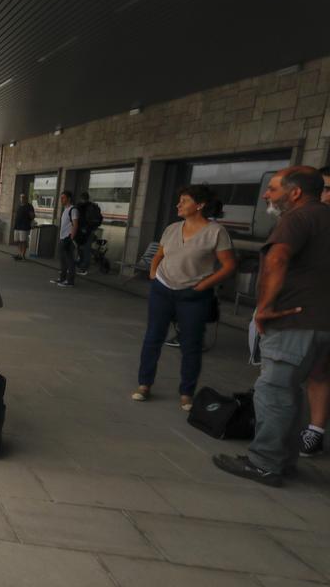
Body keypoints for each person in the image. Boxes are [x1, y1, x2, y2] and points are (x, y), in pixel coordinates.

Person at [214, 166, 330, 487]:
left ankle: (263, 463)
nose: (267, 194)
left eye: (274, 189)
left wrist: (263, 308)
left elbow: (277, 259)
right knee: (290, 392)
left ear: (295, 193)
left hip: (294, 320)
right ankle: (283, 461)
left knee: (275, 391)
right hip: (322, 323)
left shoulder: (297, 218)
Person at [132, 185, 236, 411]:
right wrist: (153, 274)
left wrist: (204, 286)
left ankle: (186, 393)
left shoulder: (215, 232)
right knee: (153, 338)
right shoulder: (172, 228)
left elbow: (228, 266)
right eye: (179, 200)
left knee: (191, 345)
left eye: (184, 201)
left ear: (199, 205)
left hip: (194, 296)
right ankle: (144, 384)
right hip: (162, 290)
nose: (178, 205)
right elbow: (159, 255)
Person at [297, 165, 330, 456]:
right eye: (322, 189)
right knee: (317, 371)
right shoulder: (309, 221)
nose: (324, 195)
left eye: (329, 189)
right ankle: (314, 432)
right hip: (313, 311)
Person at [51, 191, 79, 287]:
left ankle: (70, 281)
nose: (61, 200)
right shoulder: (65, 210)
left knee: (70, 260)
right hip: (63, 238)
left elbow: (75, 225)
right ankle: (62, 278)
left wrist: (71, 238)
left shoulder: (73, 210)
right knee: (63, 260)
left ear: (69, 198)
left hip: (68, 239)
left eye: (63, 198)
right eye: (61, 197)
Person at [73, 191, 102, 274]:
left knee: (82, 249)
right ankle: (82, 265)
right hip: (90, 231)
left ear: (81, 198)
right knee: (86, 249)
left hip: (82, 231)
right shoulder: (94, 206)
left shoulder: (80, 206)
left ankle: (83, 268)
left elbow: (77, 219)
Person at [12, 194, 34, 260]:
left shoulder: (29, 206)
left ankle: (22, 255)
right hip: (17, 226)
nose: (22, 199)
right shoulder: (19, 206)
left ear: (26, 198)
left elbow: (32, 216)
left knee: (23, 241)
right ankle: (20, 253)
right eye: (21, 197)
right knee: (17, 240)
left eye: (23, 197)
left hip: (24, 226)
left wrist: (30, 217)